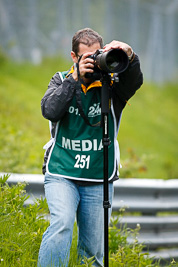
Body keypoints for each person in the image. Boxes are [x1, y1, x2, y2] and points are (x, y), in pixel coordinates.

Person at [38, 28, 143, 267]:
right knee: (62, 223)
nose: (94, 64)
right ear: (74, 57)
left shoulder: (114, 87)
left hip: (98, 176)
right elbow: (50, 110)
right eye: (87, 58)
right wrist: (74, 79)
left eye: (97, 56)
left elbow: (135, 81)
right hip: (62, 172)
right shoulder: (61, 79)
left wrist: (130, 55)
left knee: (93, 250)